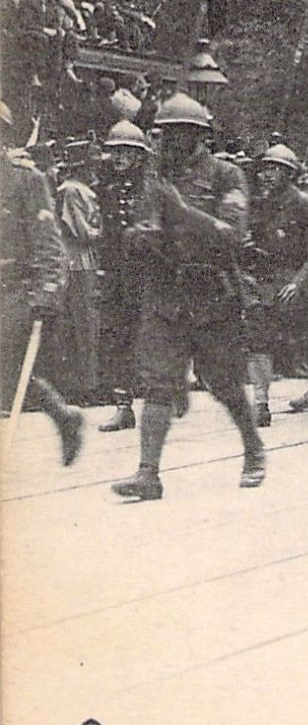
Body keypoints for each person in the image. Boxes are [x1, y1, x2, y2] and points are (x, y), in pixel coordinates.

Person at [111, 93, 263, 501]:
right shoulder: (155, 177)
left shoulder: (226, 176)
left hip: (212, 295)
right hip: (165, 292)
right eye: (166, 133)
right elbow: (143, 226)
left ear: (199, 136)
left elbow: (231, 235)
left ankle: (253, 447)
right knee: (158, 384)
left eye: (181, 133)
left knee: (224, 382)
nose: (171, 142)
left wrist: (181, 211)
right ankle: (148, 474)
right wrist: (139, 237)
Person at [0, 142, 84, 466]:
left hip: (15, 288)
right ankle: (63, 415)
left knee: (7, 368)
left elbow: (48, 239)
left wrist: (48, 290)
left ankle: (63, 415)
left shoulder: (26, 180)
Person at [242, 144, 308, 427]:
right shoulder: (258, 204)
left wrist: (298, 284)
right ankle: (260, 403)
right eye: (265, 169)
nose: (267, 175)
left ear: (290, 174)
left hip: (301, 283)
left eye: (275, 169)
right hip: (267, 283)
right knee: (258, 342)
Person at [95, 120, 153, 432]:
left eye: (126, 152)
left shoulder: (153, 190)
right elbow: (106, 235)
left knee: (153, 339)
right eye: (115, 151)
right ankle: (123, 406)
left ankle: (160, 405)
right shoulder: (106, 190)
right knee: (118, 336)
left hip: (147, 274)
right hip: (118, 274)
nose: (119, 158)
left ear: (140, 156)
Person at [47, 140, 101, 405]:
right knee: (82, 326)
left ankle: (88, 383)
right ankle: (83, 387)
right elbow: (82, 231)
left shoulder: (84, 189)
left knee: (88, 325)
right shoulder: (70, 190)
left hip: (87, 262)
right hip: (77, 264)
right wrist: (107, 232)